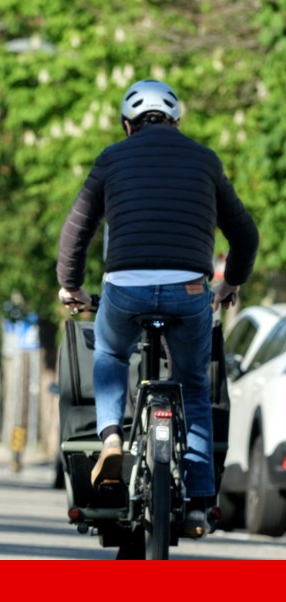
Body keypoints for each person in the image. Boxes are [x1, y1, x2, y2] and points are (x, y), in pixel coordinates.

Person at [56, 79, 260, 538]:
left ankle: (112, 437)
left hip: (124, 289)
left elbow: (76, 232)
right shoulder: (205, 160)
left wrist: (71, 286)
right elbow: (245, 236)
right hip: (189, 290)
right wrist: (230, 283)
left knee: (110, 352)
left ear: (128, 125)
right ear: (176, 122)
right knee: (192, 385)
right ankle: (199, 502)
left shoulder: (111, 159)